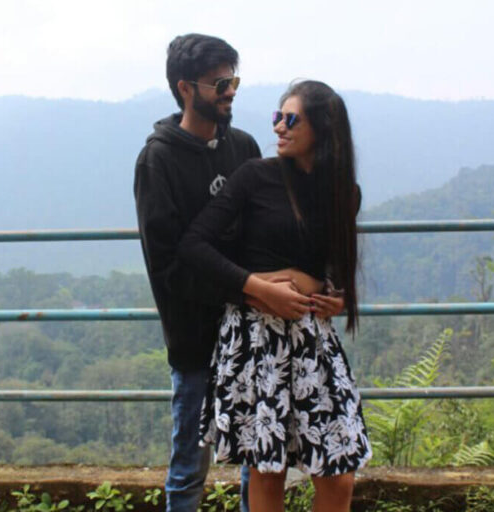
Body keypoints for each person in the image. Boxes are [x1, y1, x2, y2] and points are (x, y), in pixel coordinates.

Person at [178, 80, 372, 512]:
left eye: (291, 119)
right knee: (268, 470)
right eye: (277, 117)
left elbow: (332, 267)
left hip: (312, 340)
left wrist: (334, 295)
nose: (279, 127)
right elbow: (194, 245)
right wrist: (259, 287)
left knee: (338, 473)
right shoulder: (255, 176)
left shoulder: (343, 192)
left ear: (322, 128)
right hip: (256, 339)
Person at [133, 33, 260, 512]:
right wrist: (244, 289)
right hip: (195, 338)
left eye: (233, 81)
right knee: (189, 465)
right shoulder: (158, 161)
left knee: (257, 457)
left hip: (252, 330)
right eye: (219, 84)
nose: (230, 92)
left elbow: (265, 229)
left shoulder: (243, 147)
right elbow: (166, 265)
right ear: (185, 88)